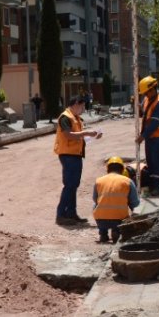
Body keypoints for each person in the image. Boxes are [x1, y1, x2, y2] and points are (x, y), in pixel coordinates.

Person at [55, 95, 102, 225]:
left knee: (73, 186)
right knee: (69, 185)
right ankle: (61, 215)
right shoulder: (65, 117)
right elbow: (68, 135)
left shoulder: (75, 118)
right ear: (76, 104)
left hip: (75, 154)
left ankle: (71, 213)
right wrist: (87, 133)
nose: (83, 109)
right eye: (82, 106)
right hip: (68, 155)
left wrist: (93, 136)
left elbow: (79, 138)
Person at [135, 76, 159, 197]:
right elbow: (145, 114)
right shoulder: (147, 99)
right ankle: (152, 186)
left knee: (158, 161)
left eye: (146, 92)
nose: (145, 95)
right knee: (150, 161)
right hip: (151, 137)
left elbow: (155, 123)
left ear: (152, 89)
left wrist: (143, 136)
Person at [92, 156, 140, 243]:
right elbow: (135, 203)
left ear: (108, 169)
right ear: (122, 169)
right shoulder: (127, 181)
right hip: (119, 220)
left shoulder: (99, 181)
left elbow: (95, 199)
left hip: (101, 219)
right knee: (125, 208)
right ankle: (116, 231)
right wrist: (136, 216)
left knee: (95, 205)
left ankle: (103, 233)